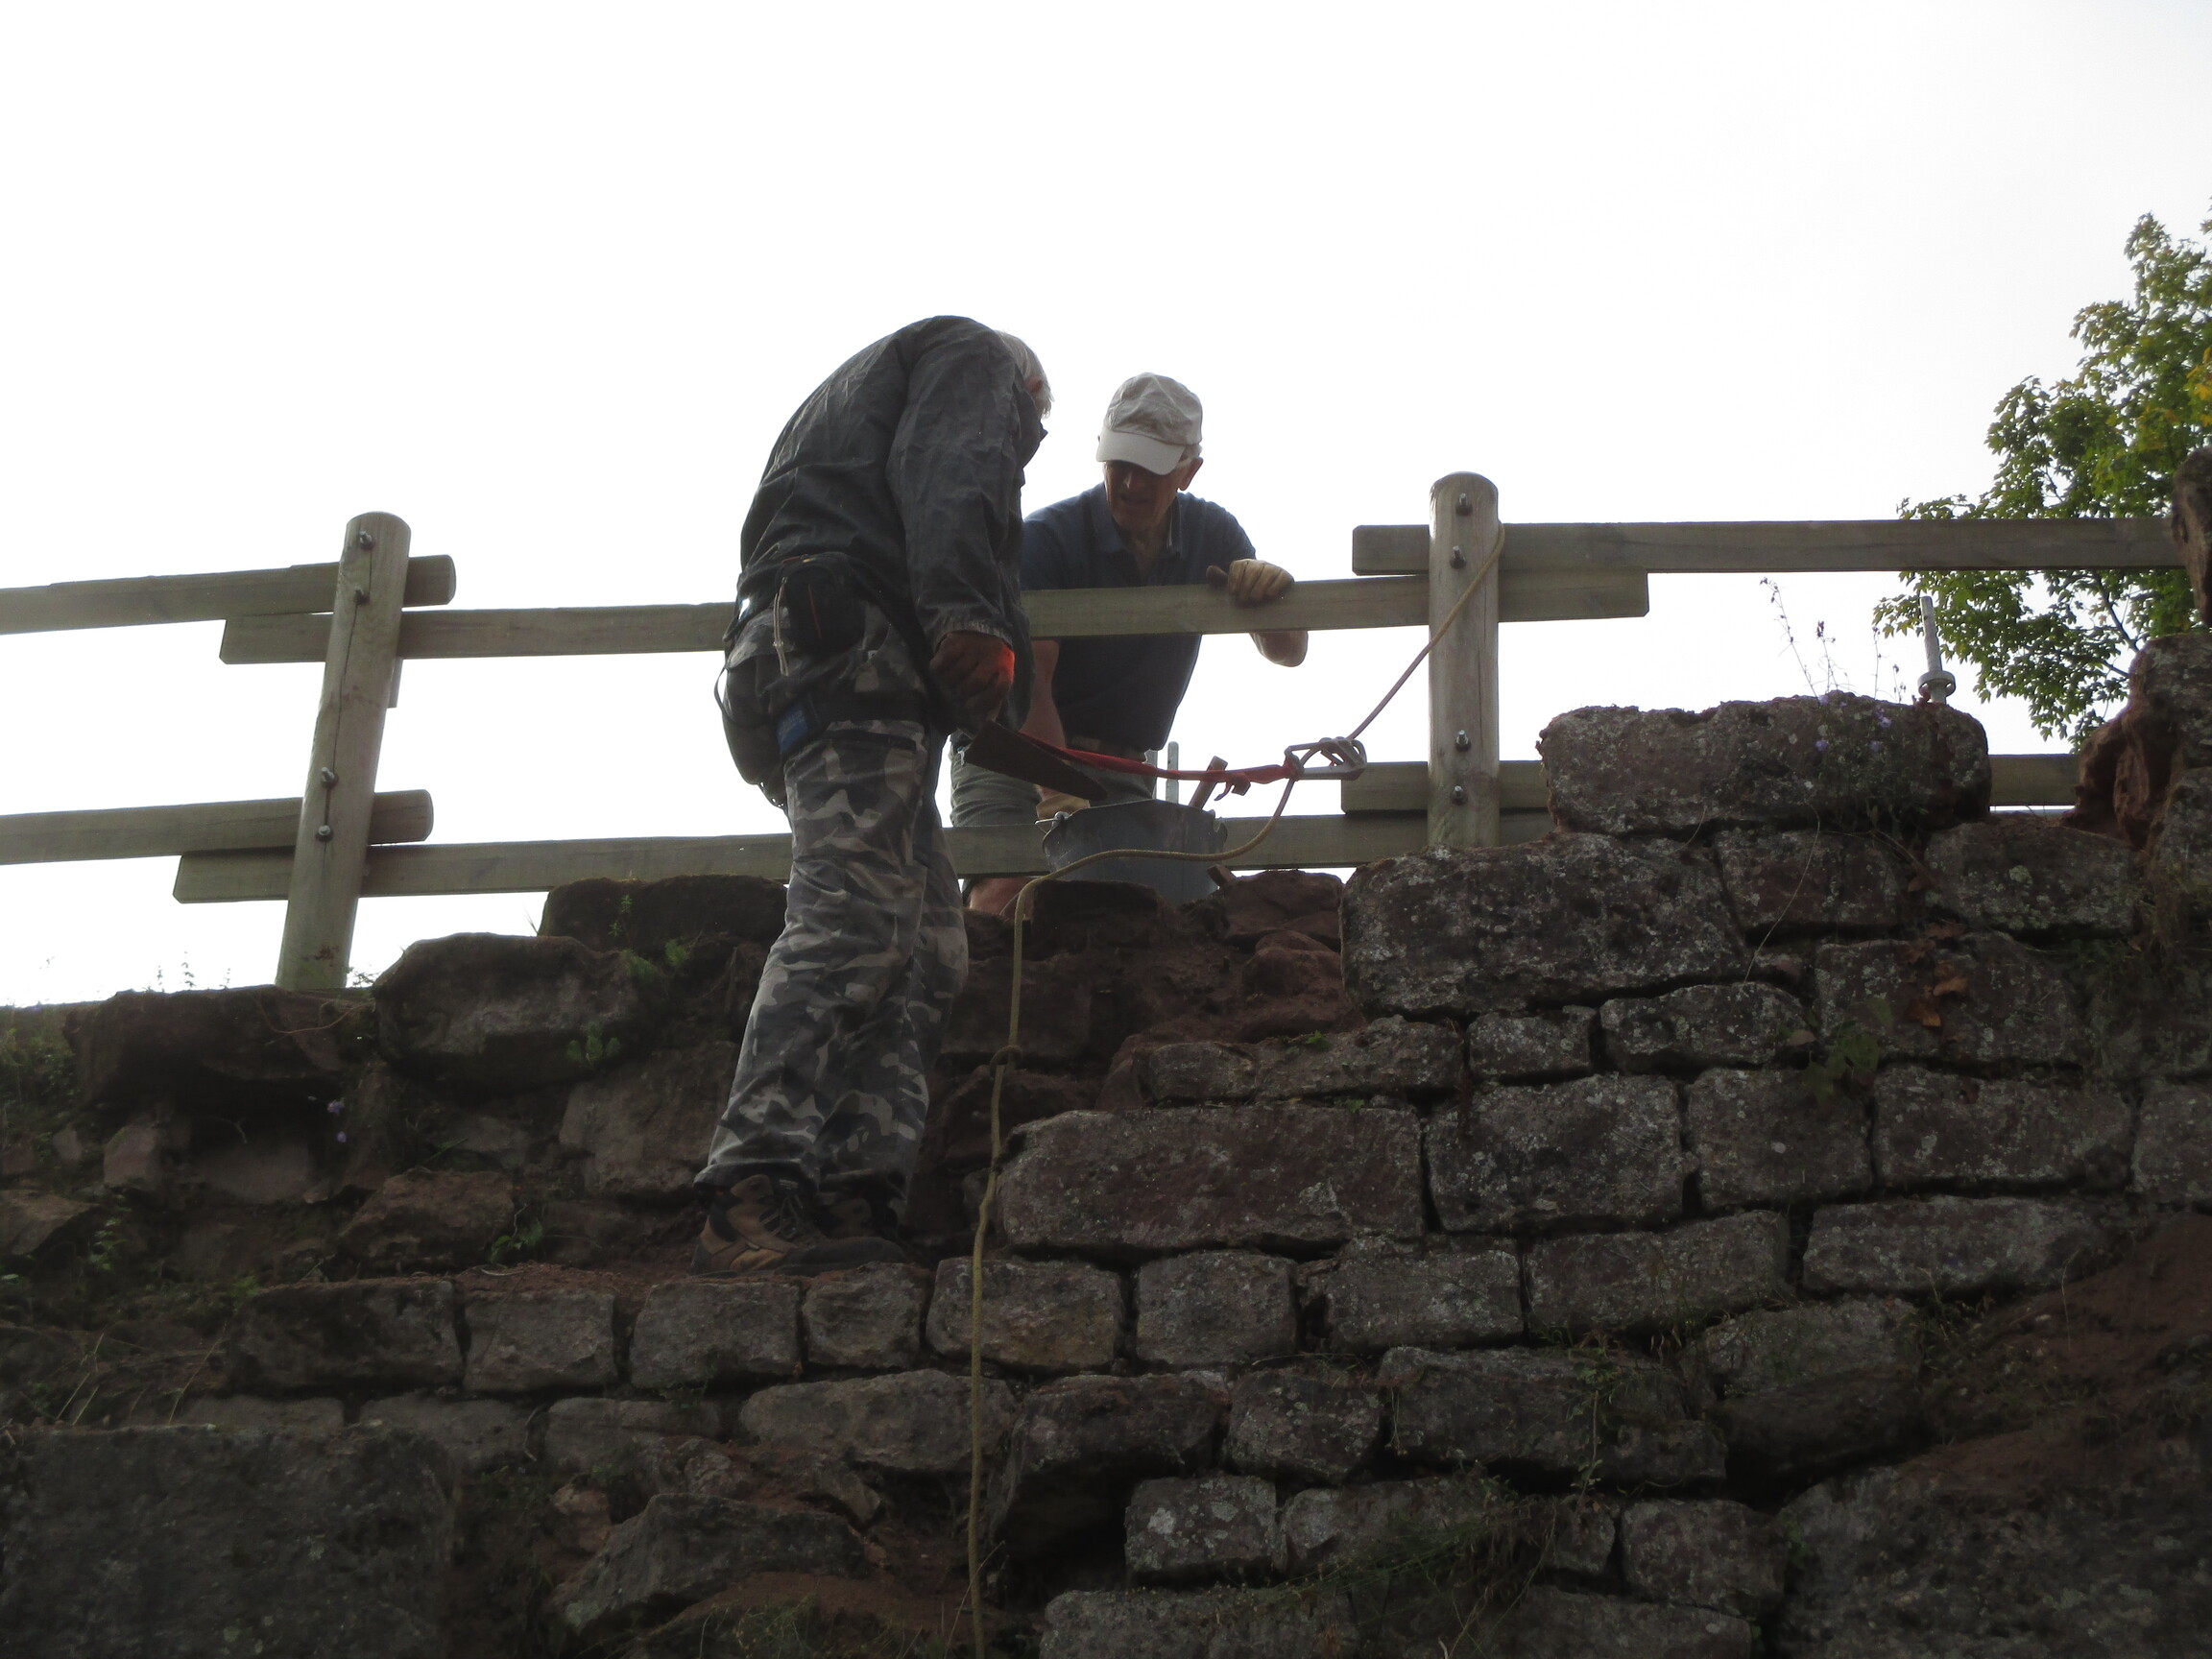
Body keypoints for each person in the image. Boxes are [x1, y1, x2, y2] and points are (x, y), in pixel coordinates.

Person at [691, 317, 1049, 1276]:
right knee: (850, 913)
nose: (1020, 453)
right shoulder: (973, 360)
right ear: (1025, 396)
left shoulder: (859, 399)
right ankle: (749, 1189)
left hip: (819, 659)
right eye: (1026, 435)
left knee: (928, 944)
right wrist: (969, 616)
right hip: (847, 660)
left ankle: (853, 1194)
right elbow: (956, 474)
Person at [951, 373, 1303, 914]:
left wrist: (1269, 596)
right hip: (1016, 751)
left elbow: (1289, 652)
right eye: (1121, 463)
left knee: (1130, 915)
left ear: (1188, 471)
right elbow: (1030, 681)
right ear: (1101, 451)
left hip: (1122, 767)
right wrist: (1058, 793)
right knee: (1008, 897)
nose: (1132, 484)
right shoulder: (1048, 540)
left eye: (1152, 469)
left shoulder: (1213, 534)